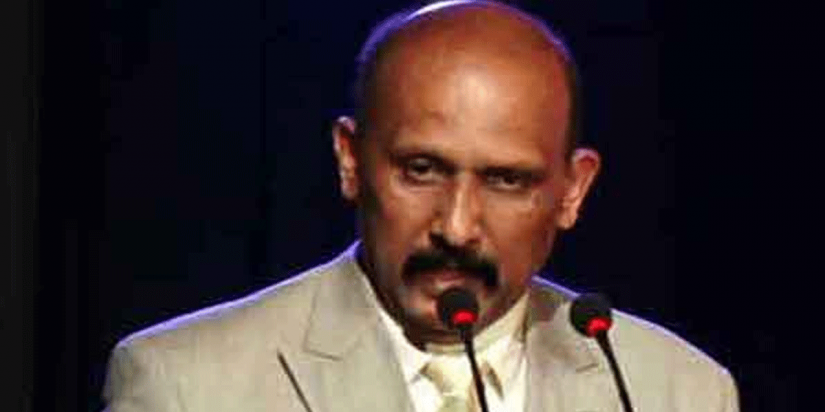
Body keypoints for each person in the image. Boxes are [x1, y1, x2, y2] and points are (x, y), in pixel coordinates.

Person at [101, 1, 739, 411]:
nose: (456, 228)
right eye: (422, 170)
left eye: (506, 180)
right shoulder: (186, 386)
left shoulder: (676, 392)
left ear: (572, 191)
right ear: (350, 160)